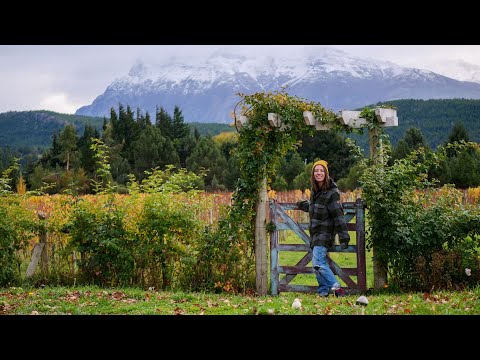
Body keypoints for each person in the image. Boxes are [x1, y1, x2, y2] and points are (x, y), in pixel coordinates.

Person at [296, 160, 349, 297]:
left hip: (325, 234)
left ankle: (337, 289)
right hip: (315, 234)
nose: (318, 173)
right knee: (318, 263)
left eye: (321, 170)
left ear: (326, 173)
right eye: (316, 171)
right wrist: (303, 205)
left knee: (318, 263)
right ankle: (323, 291)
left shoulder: (333, 192)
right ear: (313, 174)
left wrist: (344, 237)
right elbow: (316, 208)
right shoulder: (315, 191)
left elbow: (338, 216)